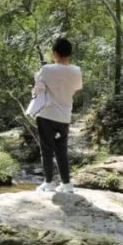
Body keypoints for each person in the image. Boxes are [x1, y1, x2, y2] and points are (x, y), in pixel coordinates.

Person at [31, 37, 83, 193]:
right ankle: (66, 184)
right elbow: (76, 88)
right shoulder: (76, 70)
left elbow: (38, 90)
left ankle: (48, 183)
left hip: (47, 114)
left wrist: (36, 79)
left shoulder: (47, 69)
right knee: (62, 149)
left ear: (54, 53)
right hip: (65, 115)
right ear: (69, 53)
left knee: (46, 149)